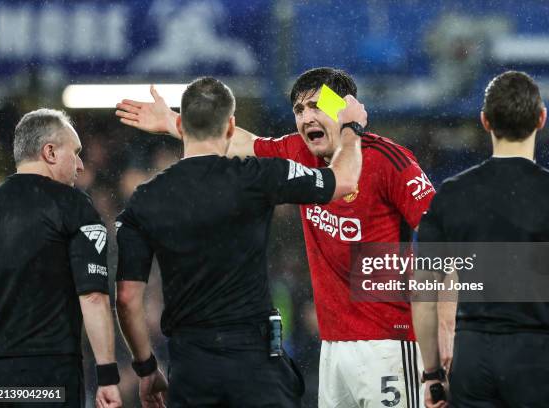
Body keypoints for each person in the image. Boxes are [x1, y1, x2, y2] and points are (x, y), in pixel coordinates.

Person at [115, 67, 440, 407]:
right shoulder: (298, 153)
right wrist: (175, 123)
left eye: (317, 106)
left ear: (346, 110)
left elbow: (443, 236)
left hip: (387, 343)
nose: (306, 117)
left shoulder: (389, 160)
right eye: (299, 110)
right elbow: (239, 141)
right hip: (332, 347)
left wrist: (443, 337)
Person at [413, 71, 549, 407]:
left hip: (471, 360)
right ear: (541, 118)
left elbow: (424, 289)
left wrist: (432, 375)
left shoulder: (451, 194)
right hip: (538, 359)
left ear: (485, 121)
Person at [0, 109, 122, 407]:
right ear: (49, 152)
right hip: (49, 378)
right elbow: (93, 297)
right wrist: (108, 375)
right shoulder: (73, 205)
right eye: (74, 153)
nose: (80, 164)